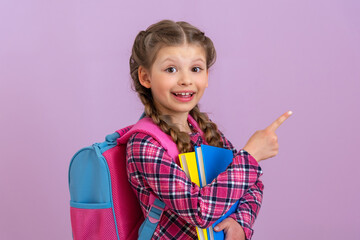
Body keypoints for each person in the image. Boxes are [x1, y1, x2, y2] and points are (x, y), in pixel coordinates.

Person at [126, 19, 292, 240]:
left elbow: (250, 183)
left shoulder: (202, 130)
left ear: (207, 77)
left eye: (196, 69)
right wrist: (250, 155)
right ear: (146, 77)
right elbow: (199, 211)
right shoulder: (145, 144)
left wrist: (240, 223)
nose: (186, 80)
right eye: (171, 69)